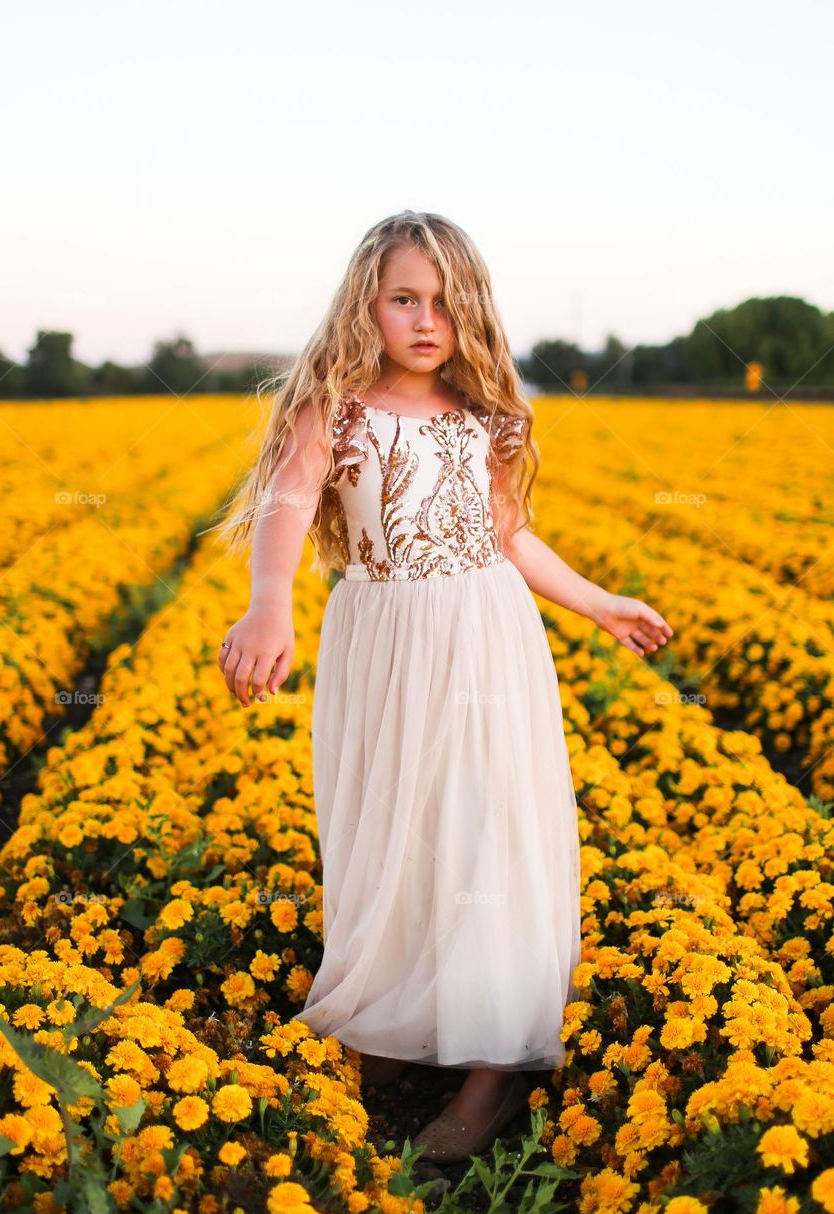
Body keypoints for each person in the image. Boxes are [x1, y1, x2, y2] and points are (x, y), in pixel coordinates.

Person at [213, 210, 673, 1163]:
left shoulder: (484, 419)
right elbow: (289, 502)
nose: (426, 320)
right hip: (378, 637)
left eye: (445, 302)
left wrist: (599, 603)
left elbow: (510, 535)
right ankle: (397, 1010)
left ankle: (490, 1073)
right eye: (404, 299)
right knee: (389, 825)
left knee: (483, 824)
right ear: (366, 306)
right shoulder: (333, 407)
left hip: (482, 637)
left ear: (472, 311)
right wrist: (268, 606)